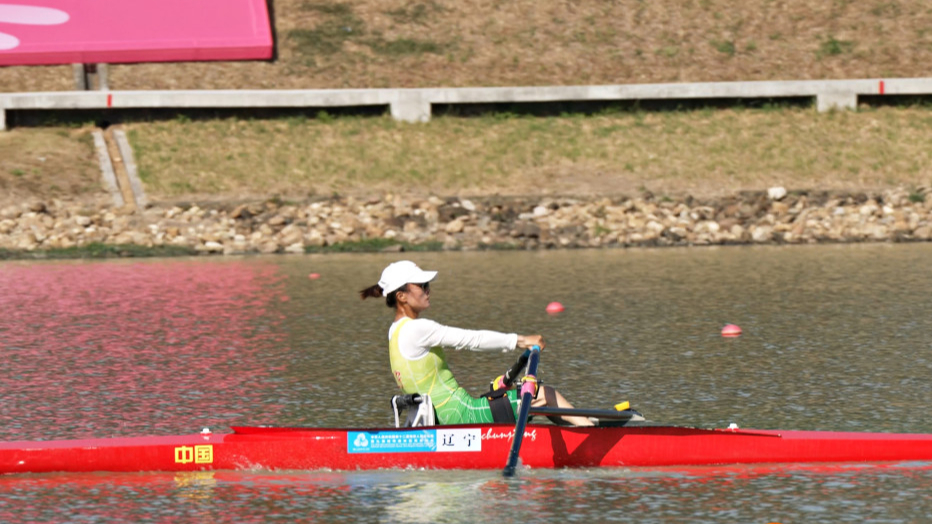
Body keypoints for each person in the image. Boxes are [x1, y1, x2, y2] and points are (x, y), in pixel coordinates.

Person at [360, 260, 593, 427]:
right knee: (542, 394)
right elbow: (472, 339)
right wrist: (521, 340)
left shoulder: (394, 331)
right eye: (422, 286)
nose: (428, 290)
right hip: (461, 414)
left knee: (516, 396)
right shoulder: (417, 328)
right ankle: (594, 435)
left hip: (435, 417)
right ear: (401, 296)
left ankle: (581, 429)